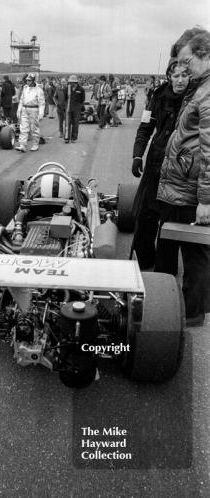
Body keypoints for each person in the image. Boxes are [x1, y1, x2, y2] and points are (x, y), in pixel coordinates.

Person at [154, 26, 210, 327]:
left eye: (187, 62)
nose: (184, 68)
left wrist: (206, 200)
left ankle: (190, 313)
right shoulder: (200, 87)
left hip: (191, 187)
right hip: (183, 182)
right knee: (177, 240)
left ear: (204, 55)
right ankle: (179, 305)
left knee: (195, 250)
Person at [130, 58, 190, 270]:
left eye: (185, 75)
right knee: (145, 216)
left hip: (179, 170)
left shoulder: (195, 100)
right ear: (169, 77)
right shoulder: (158, 96)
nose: (180, 79)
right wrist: (137, 155)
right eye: (176, 75)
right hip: (154, 165)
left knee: (169, 222)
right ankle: (144, 264)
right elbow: (145, 127)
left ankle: (165, 273)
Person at [15, 73, 45, 152]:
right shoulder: (25, 88)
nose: (27, 82)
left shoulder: (39, 90)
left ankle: (35, 144)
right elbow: (21, 100)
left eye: (29, 80)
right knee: (23, 127)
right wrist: (19, 110)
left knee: (33, 128)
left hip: (34, 110)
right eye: (27, 80)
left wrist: (41, 113)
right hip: (25, 109)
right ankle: (22, 145)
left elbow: (41, 103)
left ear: (33, 81)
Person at [63, 74, 85, 143]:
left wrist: (78, 106)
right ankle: (67, 138)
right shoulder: (67, 88)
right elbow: (65, 98)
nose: (70, 83)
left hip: (77, 109)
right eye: (70, 82)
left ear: (75, 82)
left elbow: (82, 99)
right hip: (69, 108)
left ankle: (74, 138)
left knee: (75, 123)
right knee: (68, 123)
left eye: (71, 82)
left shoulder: (81, 89)